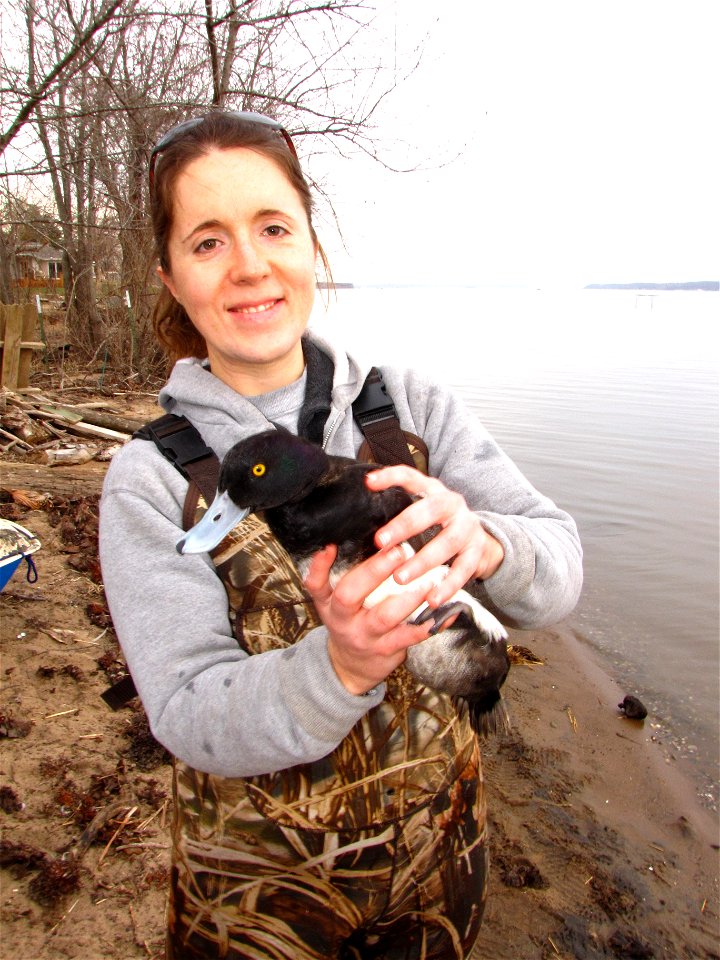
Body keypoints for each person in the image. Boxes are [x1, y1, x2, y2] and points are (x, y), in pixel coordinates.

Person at [99, 111, 583, 960]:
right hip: (258, 907)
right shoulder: (153, 479)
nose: (250, 265)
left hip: (441, 866)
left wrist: (487, 545)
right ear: (171, 276)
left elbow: (561, 570)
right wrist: (341, 666)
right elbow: (183, 711)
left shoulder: (409, 408)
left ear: (312, 248)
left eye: (273, 228)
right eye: (207, 242)